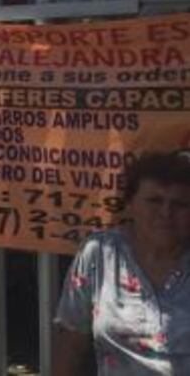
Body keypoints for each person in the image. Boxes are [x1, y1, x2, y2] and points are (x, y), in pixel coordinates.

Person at [54, 150, 190, 375]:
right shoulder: (99, 253)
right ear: (130, 205)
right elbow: (71, 343)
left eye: (179, 204)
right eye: (154, 201)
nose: (166, 212)